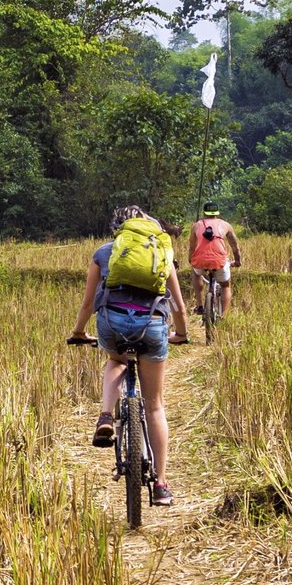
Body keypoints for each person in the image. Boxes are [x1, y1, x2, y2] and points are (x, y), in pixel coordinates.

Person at [67, 205, 188, 507]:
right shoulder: (162, 251)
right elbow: (179, 308)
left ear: (116, 229)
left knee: (116, 360)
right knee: (155, 405)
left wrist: (80, 332)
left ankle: (106, 414)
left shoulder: (104, 252)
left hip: (113, 324)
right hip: (153, 326)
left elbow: (87, 304)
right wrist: (182, 334)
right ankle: (160, 484)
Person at [186, 203, 243, 316]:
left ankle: (200, 306)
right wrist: (237, 261)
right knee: (225, 285)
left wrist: (191, 260)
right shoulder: (226, 225)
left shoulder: (196, 225)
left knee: (196, 274)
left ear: (204, 213)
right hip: (219, 261)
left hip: (199, 261)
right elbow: (235, 247)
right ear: (217, 213)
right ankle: (223, 316)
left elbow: (192, 247)